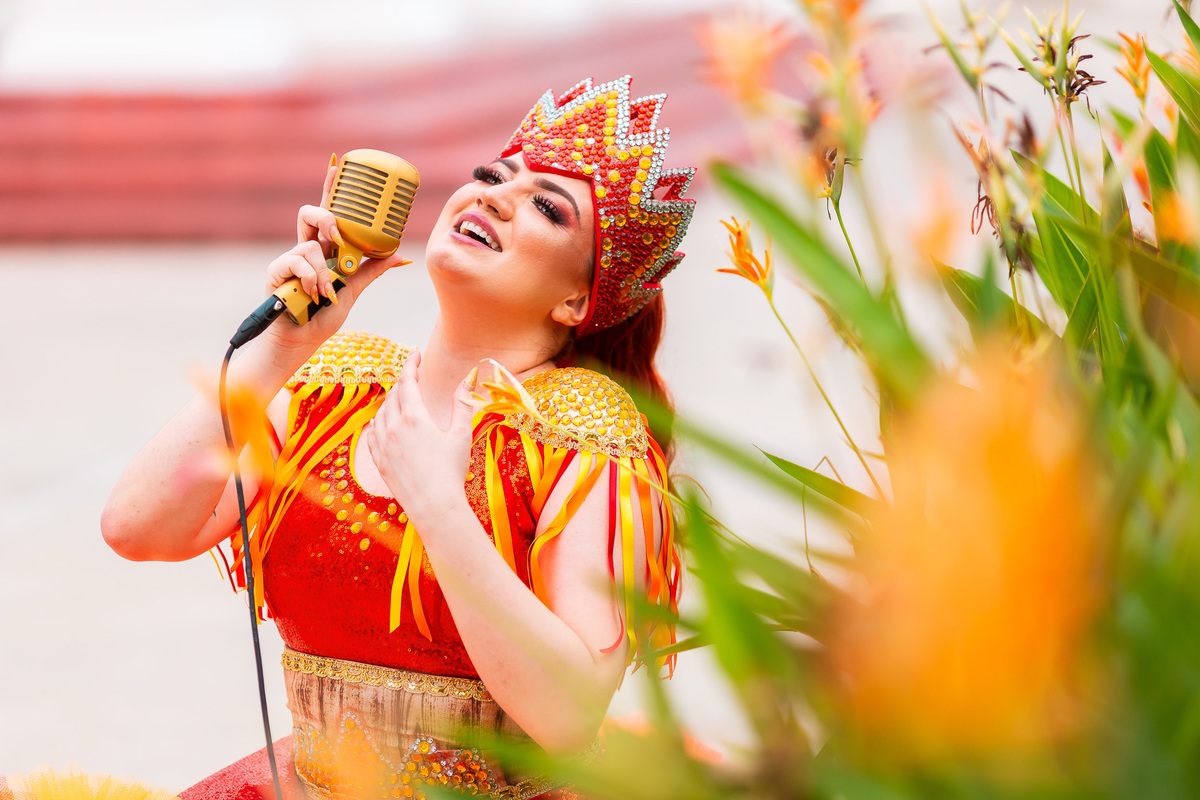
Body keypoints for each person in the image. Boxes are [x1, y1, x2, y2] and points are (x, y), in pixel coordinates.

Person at [100, 75, 694, 800]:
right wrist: (283, 347)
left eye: (546, 206)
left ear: (577, 298)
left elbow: (569, 716)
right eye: (491, 176)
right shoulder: (336, 389)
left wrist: (438, 505)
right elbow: (137, 528)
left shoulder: (585, 430)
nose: (493, 196)